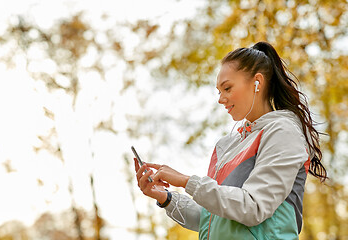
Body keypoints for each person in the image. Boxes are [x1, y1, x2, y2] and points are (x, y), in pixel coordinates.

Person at [134, 41, 327, 239]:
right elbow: (209, 219)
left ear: (257, 82)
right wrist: (165, 197)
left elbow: (254, 207)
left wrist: (186, 181)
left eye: (227, 88)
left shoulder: (283, 132)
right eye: (219, 91)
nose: (220, 98)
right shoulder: (226, 146)